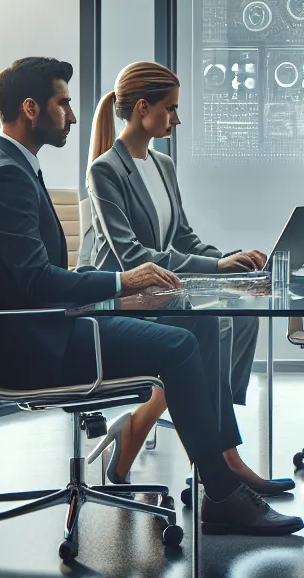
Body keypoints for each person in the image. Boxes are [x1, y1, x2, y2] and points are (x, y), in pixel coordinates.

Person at [0, 57, 301, 536]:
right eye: (63, 104)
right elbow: (38, 281)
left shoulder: (14, 168)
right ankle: (222, 493)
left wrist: (221, 262)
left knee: (204, 326)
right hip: (40, 342)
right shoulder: (6, 176)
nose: (74, 116)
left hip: (57, 323)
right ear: (31, 108)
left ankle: (221, 475)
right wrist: (124, 282)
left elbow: (175, 236)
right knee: (182, 343)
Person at [79, 60, 292, 498]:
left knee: (243, 315)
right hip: (121, 298)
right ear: (143, 108)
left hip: (164, 291)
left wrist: (228, 260)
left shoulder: (163, 165)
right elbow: (131, 255)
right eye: (171, 108)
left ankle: (183, 434)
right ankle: (225, 460)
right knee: (213, 326)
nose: (177, 118)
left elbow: (184, 237)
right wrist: (214, 270)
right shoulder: (105, 170)